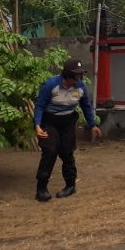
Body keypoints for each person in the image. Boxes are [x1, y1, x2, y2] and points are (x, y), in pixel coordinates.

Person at [33, 58, 101, 202]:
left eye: (80, 75)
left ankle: (70, 185)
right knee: (50, 150)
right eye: (76, 75)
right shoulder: (51, 85)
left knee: (66, 152)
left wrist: (92, 124)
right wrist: (38, 125)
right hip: (49, 120)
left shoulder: (80, 87)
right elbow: (39, 106)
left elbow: (86, 106)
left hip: (68, 121)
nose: (79, 78)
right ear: (67, 75)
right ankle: (41, 188)